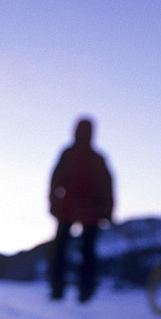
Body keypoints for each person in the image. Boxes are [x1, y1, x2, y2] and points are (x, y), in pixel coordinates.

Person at [48, 117, 114, 302]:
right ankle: (73, 291)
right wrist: (107, 210)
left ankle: (67, 290)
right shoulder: (86, 156)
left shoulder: (89, 157)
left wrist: (53, 202)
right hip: (76, 209)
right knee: (74, 250)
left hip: (79, 209)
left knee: (74, 250)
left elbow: (106, 185)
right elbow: (107, 186)